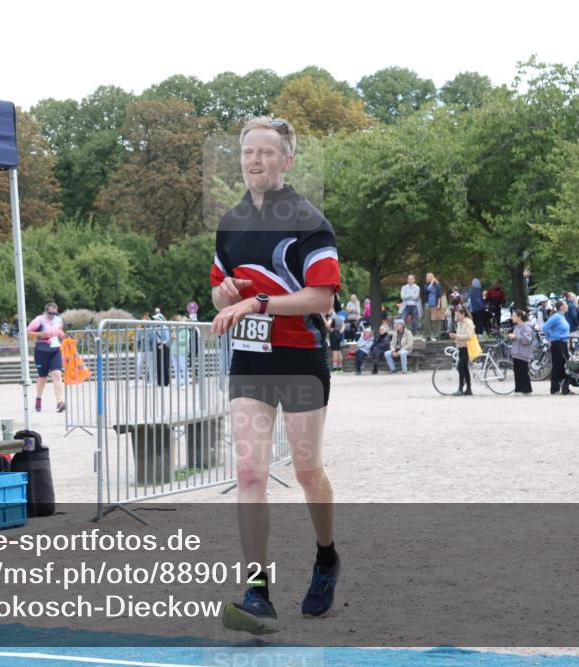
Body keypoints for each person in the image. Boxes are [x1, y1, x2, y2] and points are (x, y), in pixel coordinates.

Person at [209, 116, 340, 634]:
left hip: (302, 357)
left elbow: (321, 298)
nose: (255, 161)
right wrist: (226, 297)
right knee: (249, 474)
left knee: (307, 471)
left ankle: (326, 557)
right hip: (251, 360)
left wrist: (259, 302)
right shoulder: (230, 223)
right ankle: (256, 590)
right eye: (247, 153)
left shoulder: (308, 220)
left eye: (266, 152)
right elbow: (222, 286)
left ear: (286, 160)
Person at [27, 302, 66, 412]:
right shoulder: (39, 319)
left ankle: (60, 402)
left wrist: (61, 335)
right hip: (41, 350)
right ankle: (38, 398)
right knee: (42, 377)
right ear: (46, 311)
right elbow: (28, 331)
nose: (52, 316)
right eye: (50, 313)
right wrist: (40, 334)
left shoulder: (58, 319)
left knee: (57, 374)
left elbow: (59, 330)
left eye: (55, 313)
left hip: (55, 349)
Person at [544, 300, 572, 395]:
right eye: (566, 304)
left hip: (563, 343)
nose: (567, 306)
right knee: (557, 365)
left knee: (566, 365)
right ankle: (554, 388)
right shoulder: (556, 317)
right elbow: (545, 327)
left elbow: (565, 331)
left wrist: (567, 342)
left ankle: (565, 388)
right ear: (561, 307)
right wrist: (549, 339)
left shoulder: (562, 316)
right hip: (557, 343)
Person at [508, 309, 534, 394]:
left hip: (523, 353)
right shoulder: (516, 327)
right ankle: (518, 389)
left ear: (519, 317)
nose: (512, 318)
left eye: (514, 316)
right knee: (517, 372)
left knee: (523, 372)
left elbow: (527, 340)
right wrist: (512, 337)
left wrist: (515, 336)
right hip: (516, 353)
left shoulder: (526, 326)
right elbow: (517, 339)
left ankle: (526, 390)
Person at [450, 306, 475, 395]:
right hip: (461, 347)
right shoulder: (459, 323)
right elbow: (460, 335)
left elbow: (469, 336)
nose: (457, 318)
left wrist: (457, 336)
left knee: (461, 367)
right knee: (464, 368)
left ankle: (461, 389)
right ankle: (468, 389)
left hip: (467, 347)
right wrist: (455, 337)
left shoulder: (468, 322)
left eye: (458, 315)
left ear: (463, 314)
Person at [170, 315, 191, 386]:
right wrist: (171, 338)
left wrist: (176, 338)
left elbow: (184, 341)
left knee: (183, 367)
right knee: (176, 368)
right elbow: (171, 341)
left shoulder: (186, 330)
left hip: (182, 352)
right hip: (174, 351)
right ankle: (178, 382)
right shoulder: (175, 330)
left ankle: (186, 382)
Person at [423, 273, 443, 340]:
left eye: (428, 277)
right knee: (427, 320)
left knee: (436, 321)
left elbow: (440, 295)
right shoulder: (426, 285)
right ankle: (427, 335)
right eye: (426, 277)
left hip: (435, 304)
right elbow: (426, 290)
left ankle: (436, 335)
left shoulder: (437, 285)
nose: (427, 278)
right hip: (428, 304)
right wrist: (431, 283)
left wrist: (439, 304)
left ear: (432, 277)